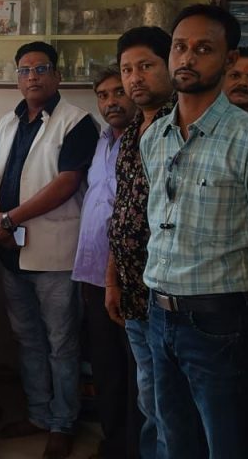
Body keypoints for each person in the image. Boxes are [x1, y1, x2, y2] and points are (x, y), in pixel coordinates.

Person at [140, 4, 248, 457]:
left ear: (229, 58)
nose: (187, 58)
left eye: (203, 49)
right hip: (159, 312)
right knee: (174, 441)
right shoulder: (154, 137)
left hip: (219, 321)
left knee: (227, 445)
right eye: (179, 47)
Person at [0, 41, 98, 459]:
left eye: (41, 68)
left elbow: (66, 183)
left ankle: (63, 422)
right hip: (10, 253)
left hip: (54, 256)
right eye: (25, 70)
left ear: (57, 76)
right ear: (17, 78)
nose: (32, 76)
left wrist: (10, 219)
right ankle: (38, 413)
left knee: (61, 342)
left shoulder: (77, 122)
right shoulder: (7, 121)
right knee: (27, 339)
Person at [104, 26, 176, 459]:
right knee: (149, 397)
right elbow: (122, 213)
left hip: (170, 295)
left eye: (146, 66)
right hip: (132, 291)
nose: (134, 78)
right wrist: (112, 279)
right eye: (127, 69)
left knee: (172, 404)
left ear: (171, 65)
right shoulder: (131, 132)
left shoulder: (180, 127)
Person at [71, 64, 139, 459]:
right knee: (106, 364)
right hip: (92, 272)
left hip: (129, 276)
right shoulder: (101, 141)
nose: (111, 102)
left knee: (135, 369)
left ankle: (135, 447)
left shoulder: (146, 139)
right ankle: (113, 443)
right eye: (102, 95)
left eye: (118, 92)